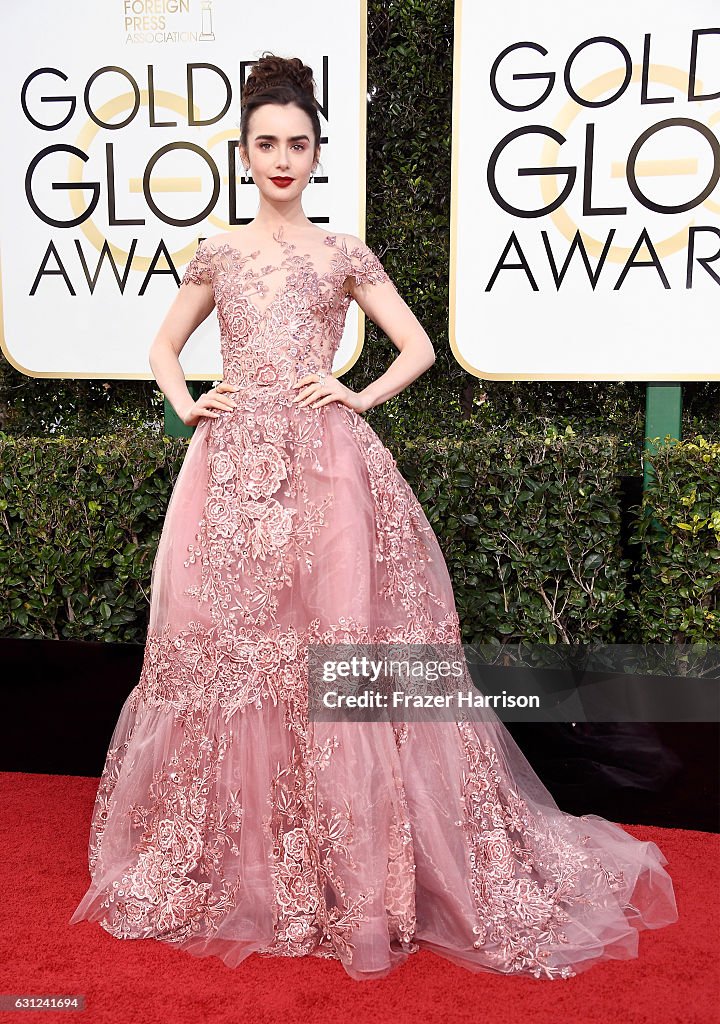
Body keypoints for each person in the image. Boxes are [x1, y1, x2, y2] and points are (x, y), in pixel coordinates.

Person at [69, 53, 678, 982]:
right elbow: (162, 342)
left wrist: (353, 395)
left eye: (299, 144)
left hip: (328, 474)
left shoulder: (342, 252)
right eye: (267, 143)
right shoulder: (220, 252)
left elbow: (421, 347)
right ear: (242, 152)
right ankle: (252, 858)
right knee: (231, 651)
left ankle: (357, 872)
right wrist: (187, 399)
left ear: (318, 154)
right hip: (232, 477)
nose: (283, 158)